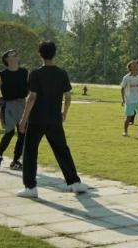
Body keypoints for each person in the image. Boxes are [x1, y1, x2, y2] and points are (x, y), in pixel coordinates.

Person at [17, 41, 87, 198]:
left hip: (36, 119)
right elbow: (67, 97)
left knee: (30, 152)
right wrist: (64, 113)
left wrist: (23, 119)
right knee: (62, 150)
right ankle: (74, 183)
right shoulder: (62, 73)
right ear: (55, 53)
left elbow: (32, 97)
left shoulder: (35, 74)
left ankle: (30, 188)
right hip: (54, 119)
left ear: (40, 54)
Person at [0, 50, 28, 171]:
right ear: (7, 59)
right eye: (12, 53)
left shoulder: (25, 72)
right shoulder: (1, 75)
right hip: (8, 106)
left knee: (22, 133)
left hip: (22, 105)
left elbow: (32, 90)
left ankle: (16, 161)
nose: (15, 53)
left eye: (16, 53)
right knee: (9, 132)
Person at [121, 60, 138, 137]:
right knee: (129, 117)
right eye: (133, 65)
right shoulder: (126, 77)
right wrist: (123, 99)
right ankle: (125, 131)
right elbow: (122, 89)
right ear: (129, 67)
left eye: (136, 65)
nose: (135, 66)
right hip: (129, 100)